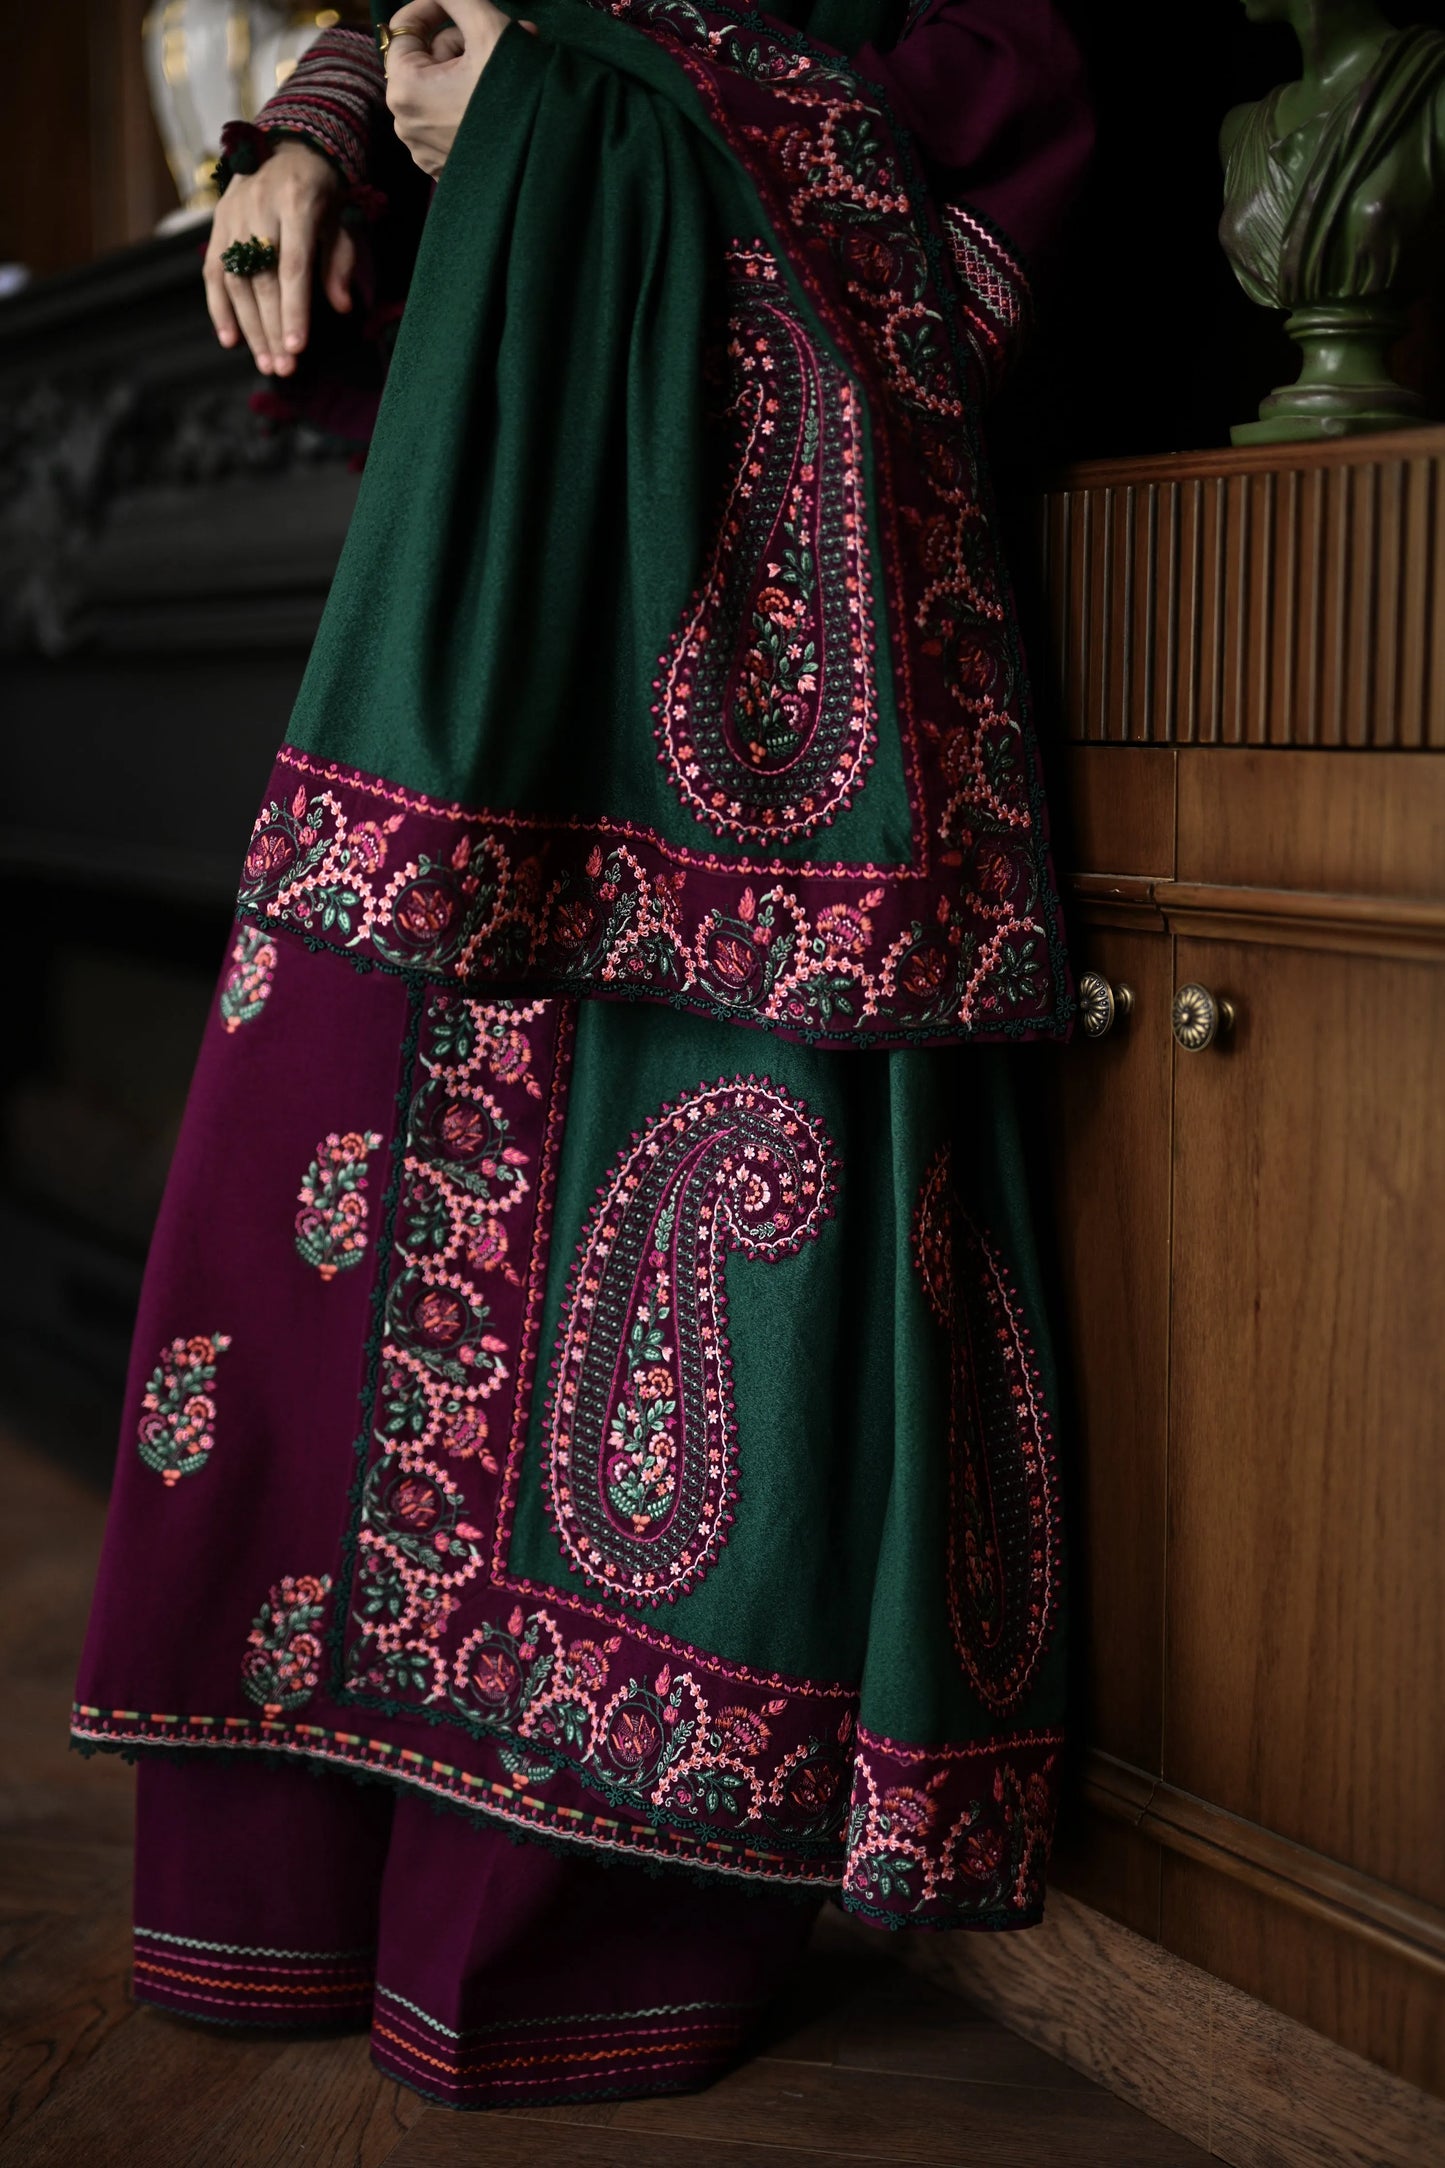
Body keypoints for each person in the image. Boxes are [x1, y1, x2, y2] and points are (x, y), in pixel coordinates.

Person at [72, 0, 1092, 2111]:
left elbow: (1013, 86)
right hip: (499, 521)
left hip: (734, 611)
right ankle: (286, 1886)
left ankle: (552, 1928)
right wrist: (318, 135)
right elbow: (431, 29)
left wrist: (551, 99)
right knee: (307, 1180)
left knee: (679, 1194)